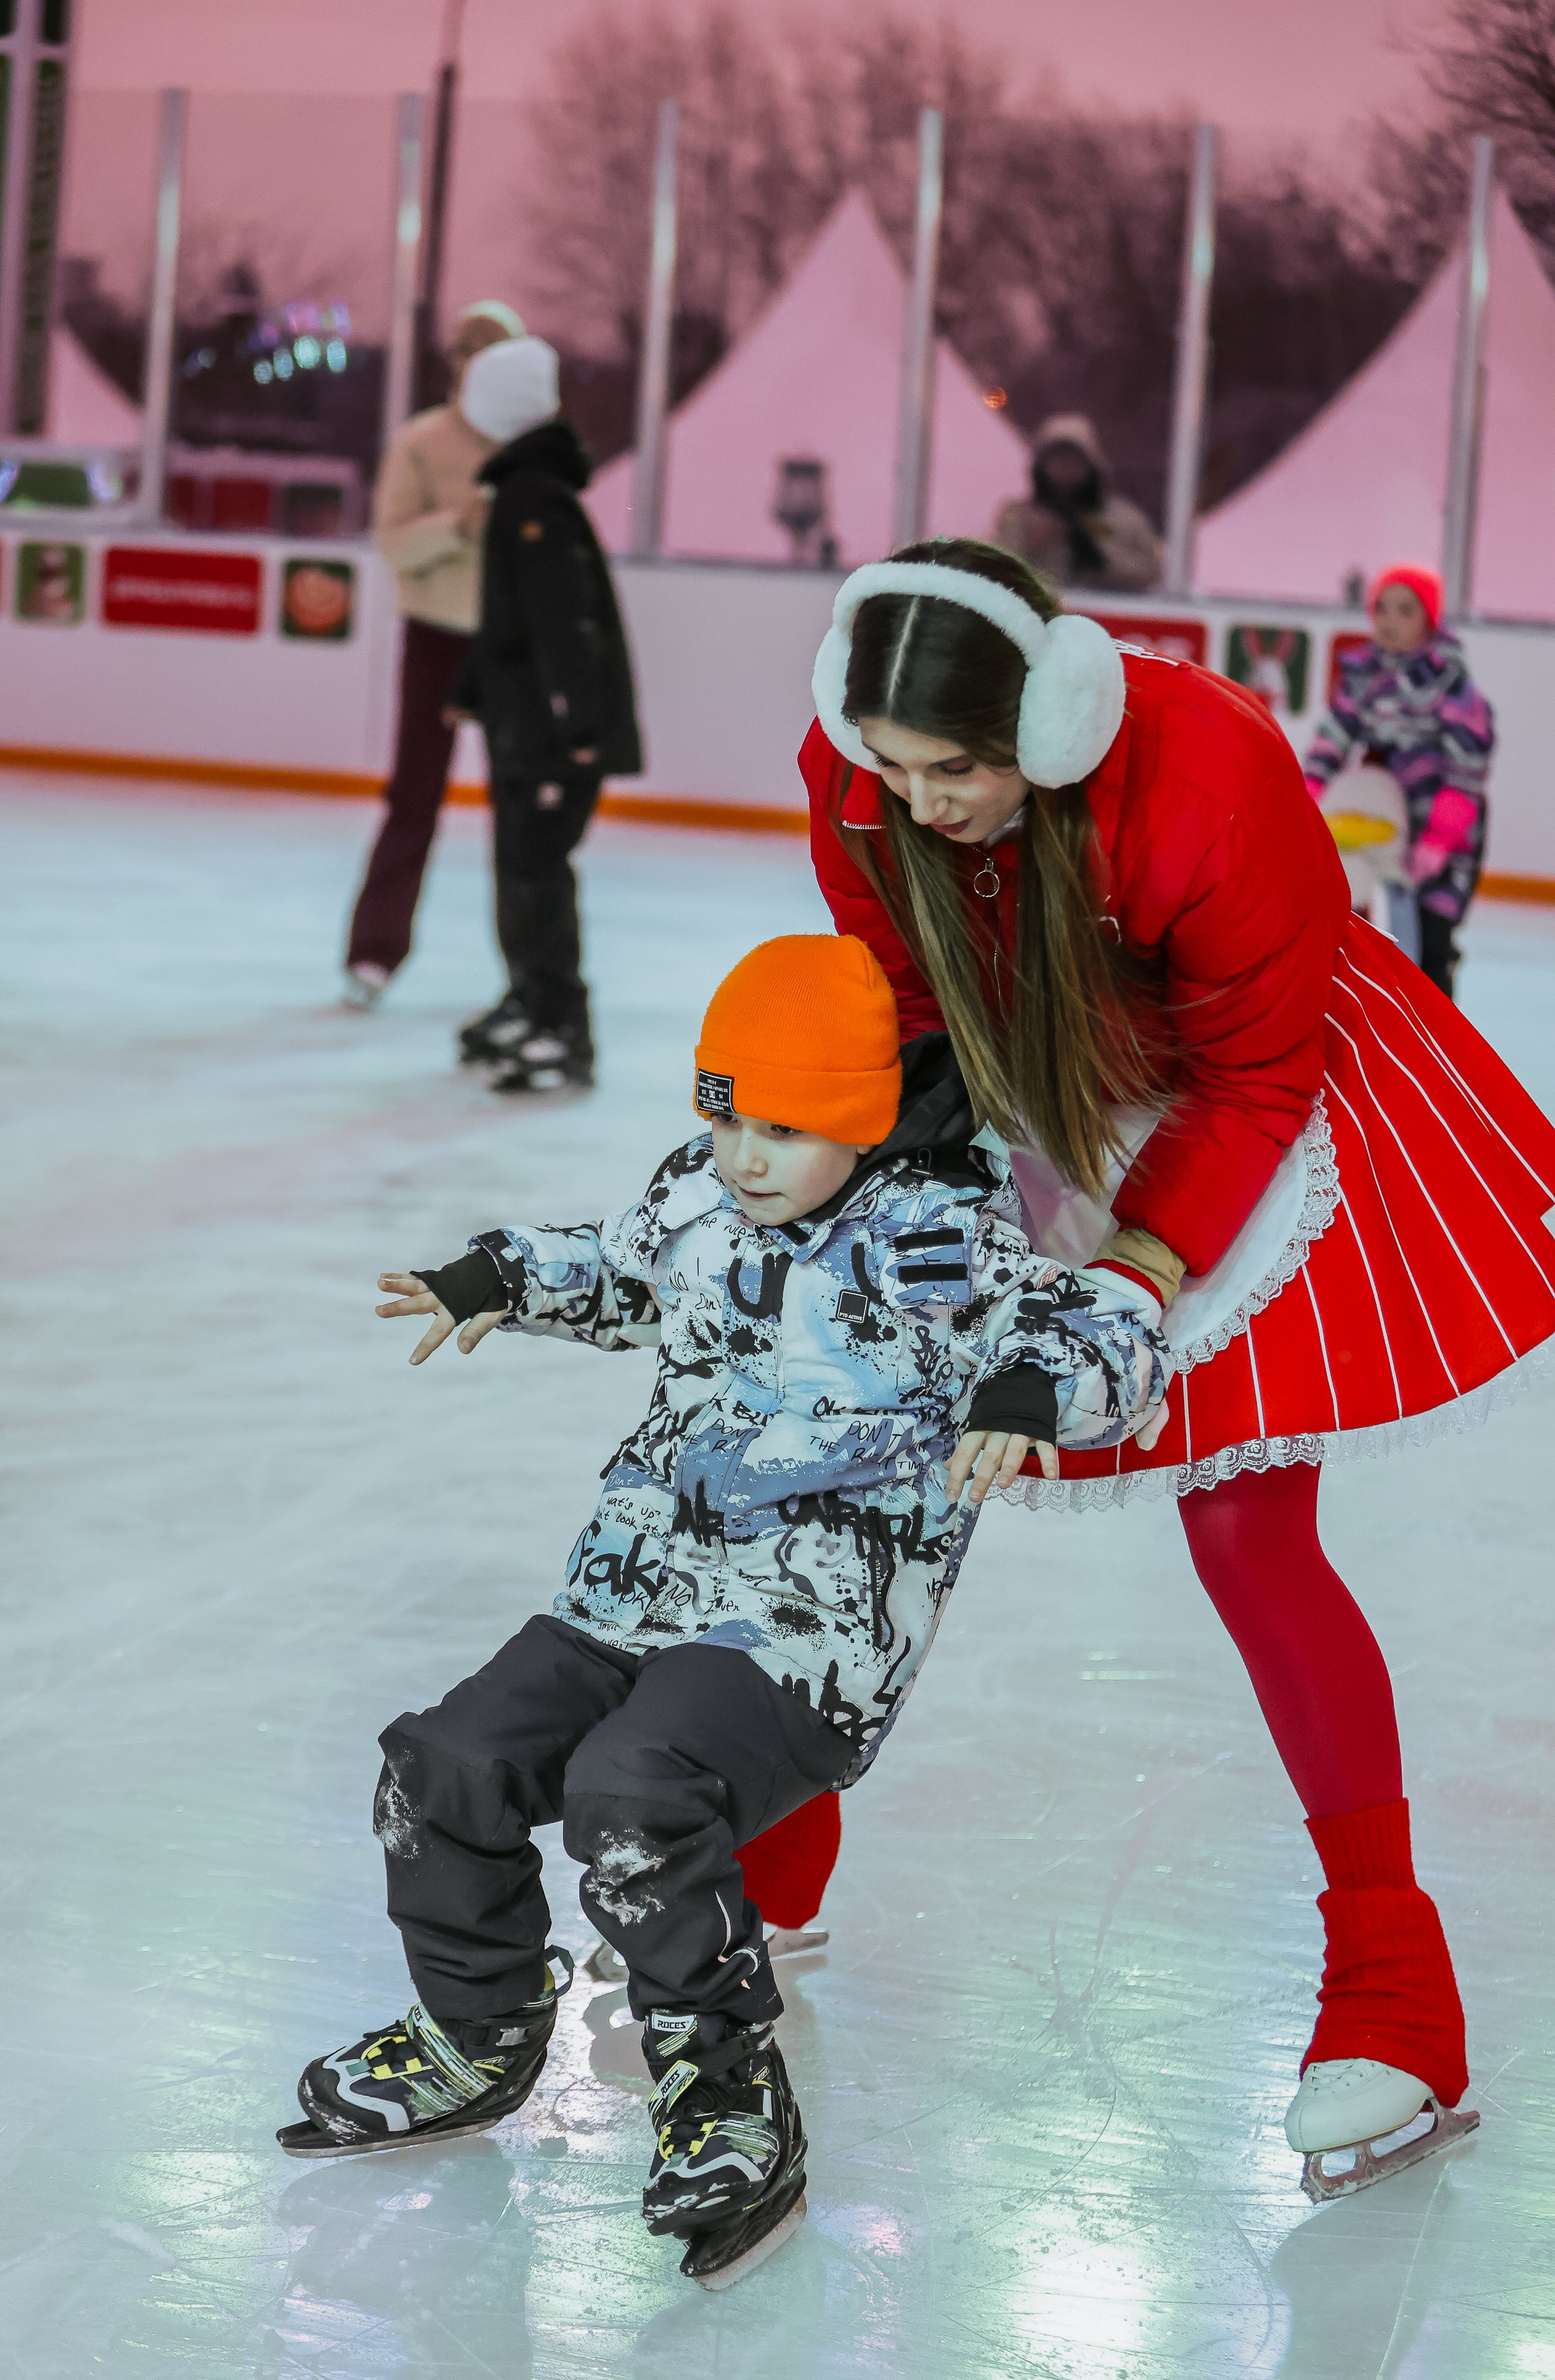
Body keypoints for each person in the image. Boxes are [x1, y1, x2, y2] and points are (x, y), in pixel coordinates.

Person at [792, 535, 1555, 2201]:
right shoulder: (860, 779)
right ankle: (770, 1847)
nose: (924, 808)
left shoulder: (1209, 776)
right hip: (1019, 1095)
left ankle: (1396, 1989)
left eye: (961, 772)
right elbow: (905, 997)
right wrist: (923, 1220)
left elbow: (1258, 1067)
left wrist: (1142, 1267)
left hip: (1235, 1104)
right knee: (874, 1450)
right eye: (895, 770)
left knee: (1248, 1534)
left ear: (1051, 733)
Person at [277, 933, 1171, 2290]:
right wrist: (500, 1276)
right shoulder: (699, 1198)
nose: (746, 1154)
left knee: (628, 1796)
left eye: (787, 1126)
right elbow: (623, 1270)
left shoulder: (941, 1237)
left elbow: (1101, 1327)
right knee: (439, 1765)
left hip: (807, 1632)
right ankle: (474, 2031)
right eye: (726, 1111)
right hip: (632, 1587)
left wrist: (1024, 1393)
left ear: (863, 1119)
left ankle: (724, 2095)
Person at [448, 336, 642, 1092]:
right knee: (519, 866)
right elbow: (511, 618)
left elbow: (567, 625)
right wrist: (471, 686)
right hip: (529, 729)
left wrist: (581, 731)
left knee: (536, 871)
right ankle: (530, 999)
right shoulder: (524, 491)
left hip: (551, 738)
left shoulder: (534, 498)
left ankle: (563, 1027)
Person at [343, 300, 527, 1008]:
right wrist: (459, 525)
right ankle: (375, 951)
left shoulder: (534, 448)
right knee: (413, 796)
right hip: (437, 638)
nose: (474, 360)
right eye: (465, 347)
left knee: (521, 807)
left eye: (490, 348)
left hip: (512, 644)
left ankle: (526, 973)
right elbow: (391, 540)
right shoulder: (420, 441)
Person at [1305, 563, 1494, 1000]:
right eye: (1382, 609)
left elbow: (1467, 772)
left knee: (1430, 944)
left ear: (1429, 619)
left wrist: (1438, 841)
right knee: (1373, 935)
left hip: (1446, 836)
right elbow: (1333, 739)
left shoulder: (1453, 686)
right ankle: (1378, 1022)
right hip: (1385, 825)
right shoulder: (1364, 677)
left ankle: (1438, 1037)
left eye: (1405, 610)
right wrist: (1309, 795)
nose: (1390, 621)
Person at [992, 413, 1162, 595]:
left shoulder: (1122, 519)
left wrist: (1091, 542)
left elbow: (1150, 574)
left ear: (1092, 465)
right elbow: (992, 571)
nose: (1065, 467)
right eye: (1056, 459)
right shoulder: (1018, 518)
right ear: (1041, 466)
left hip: (1107, 618)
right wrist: (1031, 545)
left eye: (1074, 459)